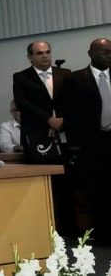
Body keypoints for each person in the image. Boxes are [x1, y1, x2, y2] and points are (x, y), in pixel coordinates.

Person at [59, 38, 111, 242]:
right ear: (91, 54)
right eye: (105, 51)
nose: (109, 55)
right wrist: (75, 143)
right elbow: (69, 113)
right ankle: (103, 234)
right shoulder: (76, 79)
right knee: (97, 189)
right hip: (91, 143)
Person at [12, 41, 70, 146]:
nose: (45, 56)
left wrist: (63, 120)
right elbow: (22, 103)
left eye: (48, 52)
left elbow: (73, 100)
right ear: (30, 57)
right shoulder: (21, 77)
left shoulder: (65, 73)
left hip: (64, 130)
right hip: (35, 132)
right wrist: (49, 120)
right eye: (39, 53)